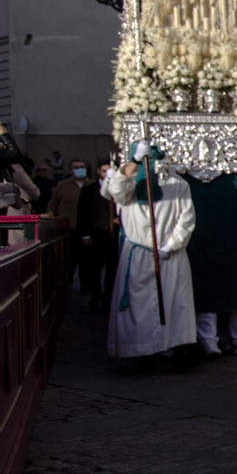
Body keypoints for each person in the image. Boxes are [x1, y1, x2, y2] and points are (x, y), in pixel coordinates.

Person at [104, 141, 198, 360]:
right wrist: (135, 161)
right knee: (139, 308)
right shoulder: (129, 187)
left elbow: (186, 218)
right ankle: (138, 351)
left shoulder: (177, 184)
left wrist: (171, 245)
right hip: (138, 255)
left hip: (169, 255)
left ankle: (169, 349)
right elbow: (116, 189)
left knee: (172, 304)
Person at [77, 161, 117, 312]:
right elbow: (82, 213)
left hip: (113, 235)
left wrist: (120, 218)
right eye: (104, 171)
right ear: (99, 172)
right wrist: (84, 234)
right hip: (95, 233)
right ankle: (95, 297)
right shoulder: (89, 190)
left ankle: (108, 300)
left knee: (112, 270)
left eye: (110, 170)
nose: (107, 174)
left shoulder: (118, 189)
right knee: (94, 269)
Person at [47, 159, 90, 289]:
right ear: (70, 170)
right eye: (76, 167)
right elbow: (52, 207)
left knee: (88, 262)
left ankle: (88, 286)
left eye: (82, 166)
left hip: (89, 230)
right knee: (67, 261)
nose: (79, 169)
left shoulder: (93, 185)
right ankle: (66, 285)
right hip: (67, 230)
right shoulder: (63, 186)